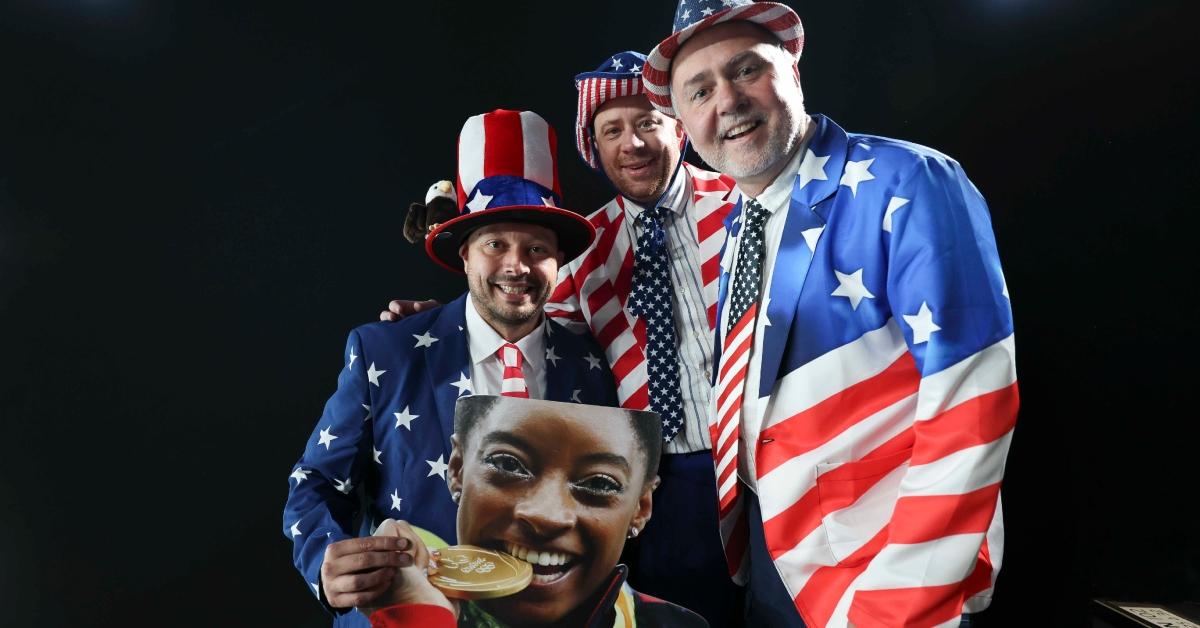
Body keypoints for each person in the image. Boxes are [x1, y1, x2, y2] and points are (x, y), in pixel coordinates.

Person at [639, 2, 1019, 627]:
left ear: (792, 66)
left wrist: (903, 596)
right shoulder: (742, 220)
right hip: (773, 560)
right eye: (699, 90)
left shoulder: (912, 179)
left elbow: (973, 402)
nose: (726, 102)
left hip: (890, 569)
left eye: (745, 70)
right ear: (682, 121)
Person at [387, 51, 745, 626]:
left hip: (759, 463)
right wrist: (438, 319)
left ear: (680, 125)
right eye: (612, 131)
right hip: (659, 490)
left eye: (648, 123)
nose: (633, 144)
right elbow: (512, 316)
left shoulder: (746, 207)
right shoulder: (581, 254)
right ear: (594, 149)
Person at [284, 109, 619, 627]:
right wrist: (324, 562)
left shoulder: (591, 367)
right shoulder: (385, 353)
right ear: (464, 254)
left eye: (537, 248)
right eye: (495, 244)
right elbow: (313, 482)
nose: (517, 266)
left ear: (559, 262)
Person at [333, 395, 709, 627]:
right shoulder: (394, 593)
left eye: (599, 483)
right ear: (458, 469)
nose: (546, 514)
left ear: (641, 507)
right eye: (508, 465)